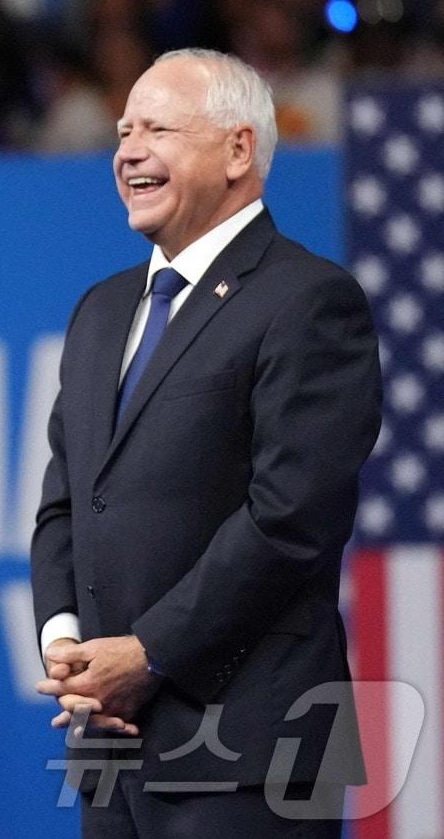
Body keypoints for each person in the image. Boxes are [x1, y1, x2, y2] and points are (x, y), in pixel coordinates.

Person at [29, 48, 381, 834]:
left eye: (157, 127)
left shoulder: (309, 300)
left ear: (238, 149)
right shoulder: (101, 310)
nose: (127, 149)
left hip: (249, 746)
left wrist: (146, 653)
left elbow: (291, 518)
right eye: (123, 130)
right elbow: (67, 505)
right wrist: (68, 647)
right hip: (109, 745)